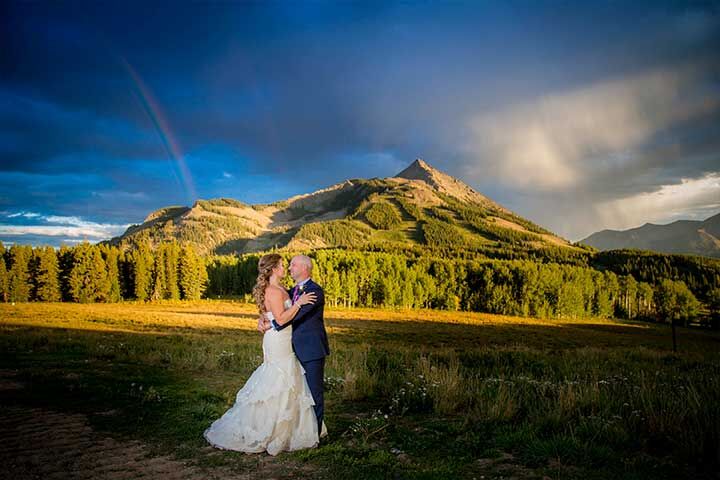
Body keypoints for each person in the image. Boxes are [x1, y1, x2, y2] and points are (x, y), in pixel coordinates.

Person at [203, 253, 320, 455]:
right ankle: (270, 428)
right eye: (283, 265)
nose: (286, 269)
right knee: (278, 380)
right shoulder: (274, 291)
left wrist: (265, 319)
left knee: (282, 380)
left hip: (281, 339)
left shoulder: (281, 289)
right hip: (278, 340)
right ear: (274, 269)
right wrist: (298, 304)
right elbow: (282, 319)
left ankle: (285, 426)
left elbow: (272, 314)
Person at [258, 254, 329, 437]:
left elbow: (293, 315)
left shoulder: (314, 291)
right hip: (289, 348)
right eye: (287, 265)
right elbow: (278, 310)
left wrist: (271, 323)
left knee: (314, 392)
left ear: (305, 267)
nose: (289, 268)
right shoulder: (289, 291)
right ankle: (297, 430)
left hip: (311, 349)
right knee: (296, 391)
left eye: (293, 265)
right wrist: (263, 318)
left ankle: (316, 433)